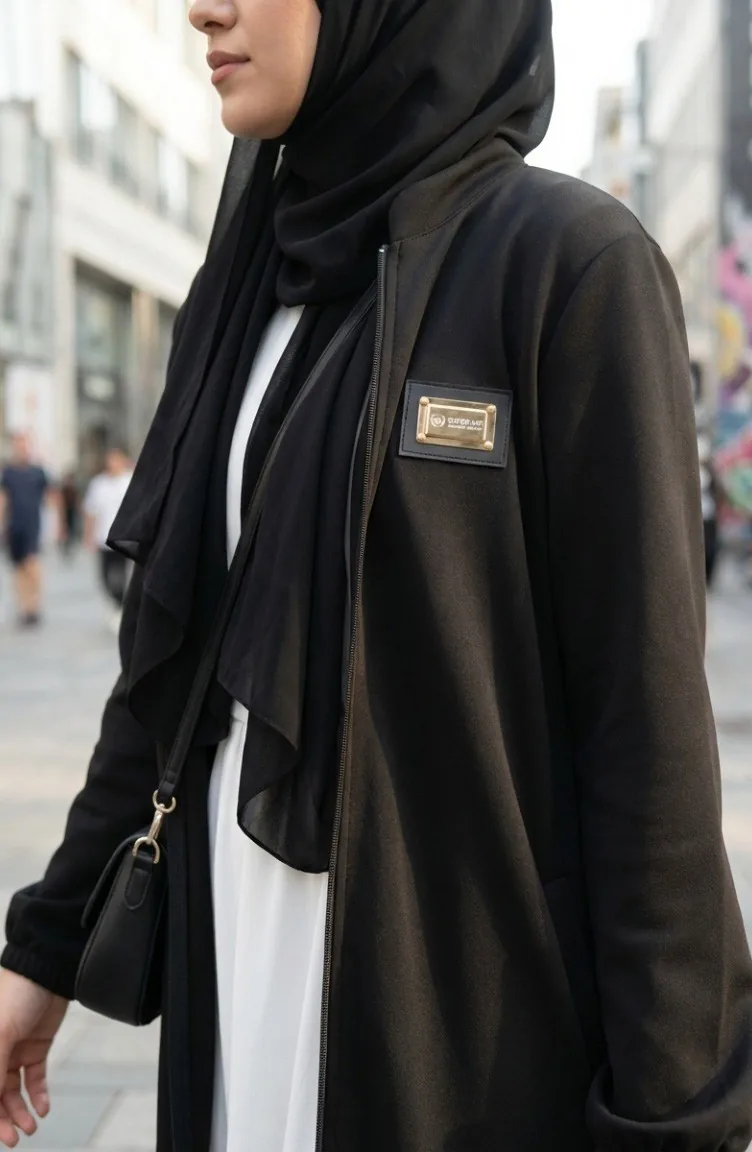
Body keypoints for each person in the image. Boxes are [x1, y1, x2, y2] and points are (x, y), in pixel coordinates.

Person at [1, 2, 751, 1151]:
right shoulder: (249, 284)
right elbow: (169, 666)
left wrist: (673, 1125)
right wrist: (45, 950)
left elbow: (644, 749)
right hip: (237, 969)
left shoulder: (565, 267)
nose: (203, 8)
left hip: (454, 1043)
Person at [0, 433, 55, 628]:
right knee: (18, 568)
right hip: (14, 526)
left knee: (32, 565)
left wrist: (56, 524)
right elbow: (3, 499)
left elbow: (51, 496)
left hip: (33, 524)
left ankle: (34, 606)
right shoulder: (8, 472)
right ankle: (23, 607)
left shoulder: (38, 471)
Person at [83, 448, 134, 628]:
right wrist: (88, 536)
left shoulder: (130, 481)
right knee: (104, 577)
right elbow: (90, 512)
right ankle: (118, 603)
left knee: (120, 575)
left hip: (124, 538)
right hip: (103, 538)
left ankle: (122, 607)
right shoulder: (98, 484)